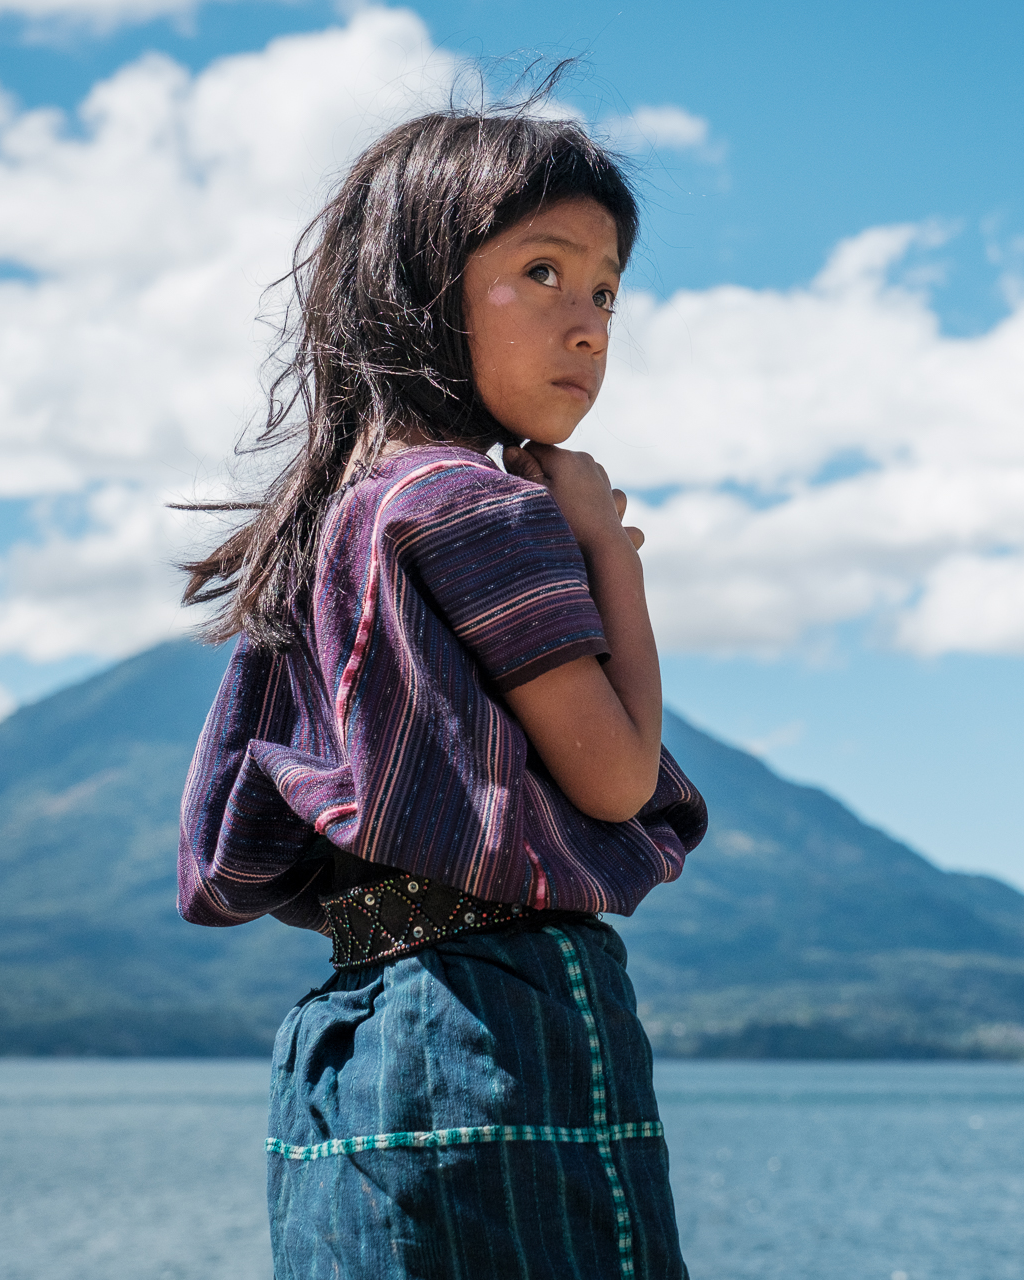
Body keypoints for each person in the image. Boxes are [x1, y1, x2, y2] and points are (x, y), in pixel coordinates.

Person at [172, 99, 707, 1280]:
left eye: (607, 290)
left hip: (351, 1024)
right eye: (542, 270)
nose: (588, 323)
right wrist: (609, 552)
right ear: (420, 286)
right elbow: (616, 780)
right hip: (499, 1010)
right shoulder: (476, 504)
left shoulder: (329, 521)